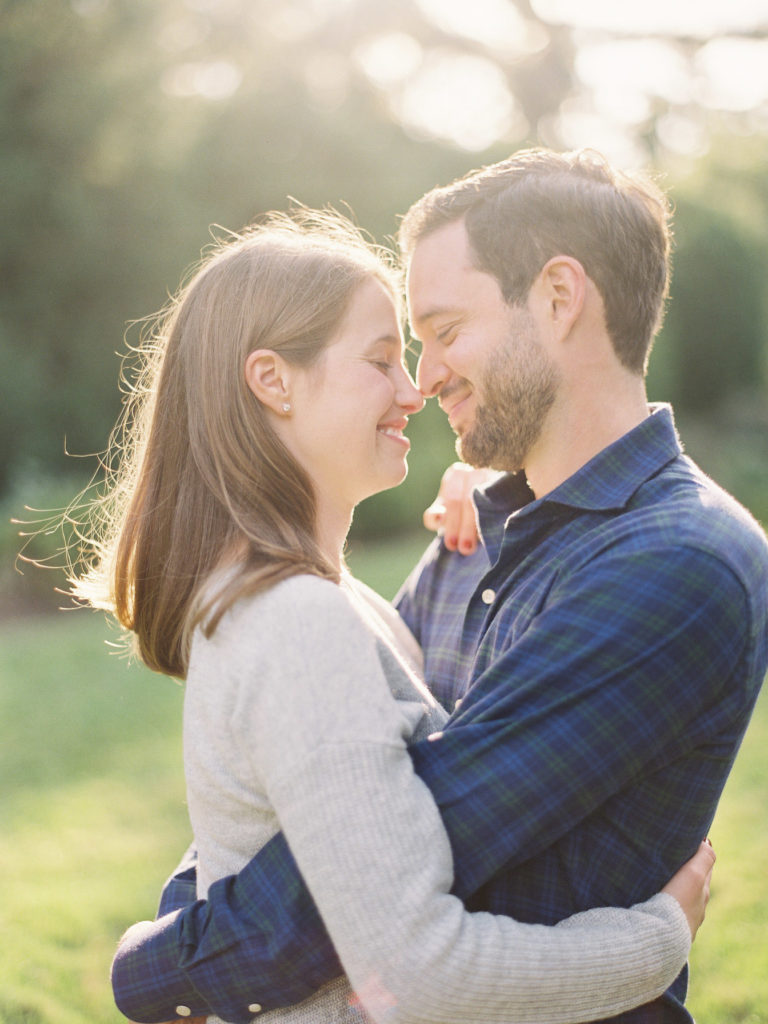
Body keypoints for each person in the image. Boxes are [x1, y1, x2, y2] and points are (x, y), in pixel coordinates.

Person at [109, 148, 768, 1024]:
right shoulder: (468, 541)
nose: (424, 379)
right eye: (398, 350)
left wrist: (161, 971)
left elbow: (399, 863)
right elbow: (319, 798)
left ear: (560, 298)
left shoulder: (681, 561)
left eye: (444, 331)